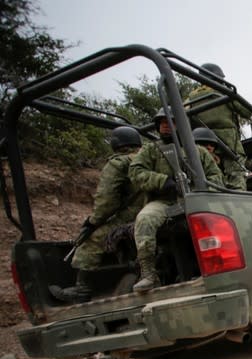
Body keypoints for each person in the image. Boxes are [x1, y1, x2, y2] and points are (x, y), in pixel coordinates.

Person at [129, 108, 224, 292]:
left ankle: (214, 268)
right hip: (165, 201)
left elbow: (215, 178)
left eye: (170, 121)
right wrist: (162, 181)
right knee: (144, 219)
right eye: (162, 122)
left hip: (194, 199)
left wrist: (200, 192)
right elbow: (135, 172)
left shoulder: (197, 151)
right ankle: (149, 274)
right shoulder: (151, 150)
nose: (165, 125)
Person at [49, 126, 145, 303]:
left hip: (131, 216)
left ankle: (81, 289)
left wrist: (93, 222)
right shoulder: (149, 158)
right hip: (154, 210)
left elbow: (106, 200)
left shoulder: (119, 163)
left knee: (91, 240)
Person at [185, 63, 252, 158]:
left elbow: (184, 117)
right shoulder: (222, 91)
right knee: (237, 171)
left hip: (203, 143)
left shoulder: (191, 97)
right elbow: (247, 112)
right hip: (229, 142)